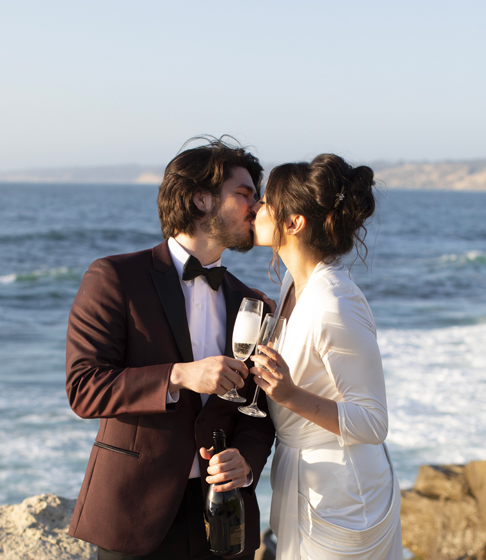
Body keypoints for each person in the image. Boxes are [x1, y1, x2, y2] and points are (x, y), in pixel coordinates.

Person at [65, 137, 275, 560]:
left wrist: (247, 461)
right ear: (200, 199)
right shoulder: (115, 278)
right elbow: (84, 388)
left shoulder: (253, 304)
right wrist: (179, 375)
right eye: (244, 193)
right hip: (133, 510)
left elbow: (260, 409)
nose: (257, 206)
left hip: (224, 515)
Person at [249, 154, 402, 560]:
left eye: (265, 202)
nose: (255, 209)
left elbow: (374, 421)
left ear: (294, 222)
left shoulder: (335, 301)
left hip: (346, 498)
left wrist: (291, 395)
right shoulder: (291, 284)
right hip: (303, 480)